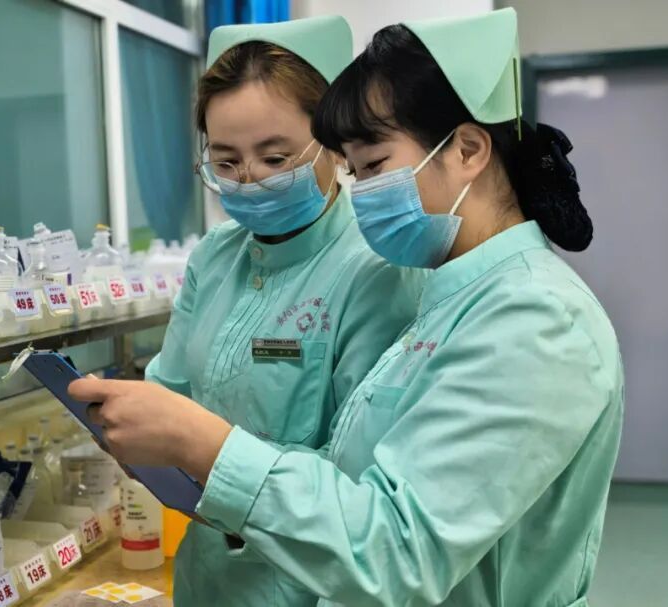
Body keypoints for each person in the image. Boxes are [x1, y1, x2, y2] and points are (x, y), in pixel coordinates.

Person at [72, 8, 623, 606]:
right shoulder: (455, 298)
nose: (362, 196)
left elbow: (399, 552)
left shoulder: (538, 320)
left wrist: (204, 444)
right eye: (357, 172)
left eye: (374, 167)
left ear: (467, 149)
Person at [142, 15, 426, 607]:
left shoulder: (377, 270)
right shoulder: (215, 256)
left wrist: (208, 453)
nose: (249, 181)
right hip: (206, 579)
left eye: (275, 158)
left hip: (307, 586)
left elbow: (364, 482)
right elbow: (170, 392)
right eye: (226, 163)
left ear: (335, 146)